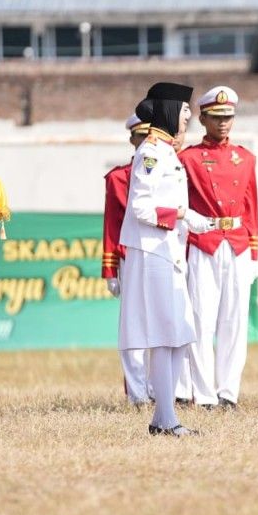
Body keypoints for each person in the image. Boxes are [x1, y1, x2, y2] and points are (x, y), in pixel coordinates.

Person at [119, 82, 214, 436]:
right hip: (153, 249)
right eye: (185, 108)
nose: (189, 115)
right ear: (170, 111)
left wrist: (186, 217)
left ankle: (163, 417)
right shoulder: (151, 153)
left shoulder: (167, 151)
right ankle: (167, 417)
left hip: (168, 248)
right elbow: (141, 207)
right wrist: (182, 214)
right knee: (164, 334)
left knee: (178, 333)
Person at [178, 86, 258, 409]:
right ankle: (205, 393)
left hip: (237, 244)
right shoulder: (189, 158)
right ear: (204, 118)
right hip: (204, 241)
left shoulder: (247, 158)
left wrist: (254, 253)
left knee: (235, 321)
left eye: (228, 117)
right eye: (217, 117)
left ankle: (229, 392)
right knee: (201, 320)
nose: (224, 123)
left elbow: (253, 207)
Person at [104, 113, 154, 406]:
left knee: (163, 325)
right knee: (133, 325)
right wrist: (110, 268)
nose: (145, 140)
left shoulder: (168, 168)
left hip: (164, 254)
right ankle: (137, 393)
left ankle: (164, 389)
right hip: (131, 255)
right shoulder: (118, 177)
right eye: (140, 135)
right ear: (132, 139)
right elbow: (112, 223)